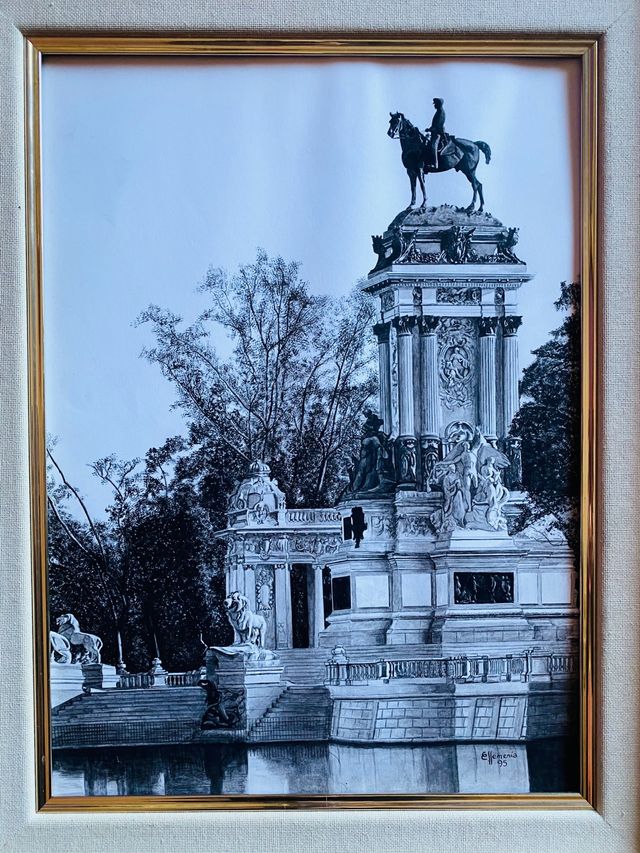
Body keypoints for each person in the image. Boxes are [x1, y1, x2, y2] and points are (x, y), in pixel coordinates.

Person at [426, 97, 446, 169]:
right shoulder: (438, 111)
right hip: (434, 132)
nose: (434, 105)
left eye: (435, 104)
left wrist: (430, 129)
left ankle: (435, 164)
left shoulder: (441, 112)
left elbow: (438, 126)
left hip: (438, 133)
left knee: (433, 146)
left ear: (438, 104)